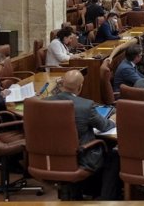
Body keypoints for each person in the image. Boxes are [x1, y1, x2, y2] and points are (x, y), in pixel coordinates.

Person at [46, 70, 120, 200]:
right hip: (80, 157)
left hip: (50, 156)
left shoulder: (44, 103)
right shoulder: (85, 106)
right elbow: (104, 126)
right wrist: (114, 119)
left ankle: (82, 191)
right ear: (80, 86)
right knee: (113, 154)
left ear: (61, 83)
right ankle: (106, 199)